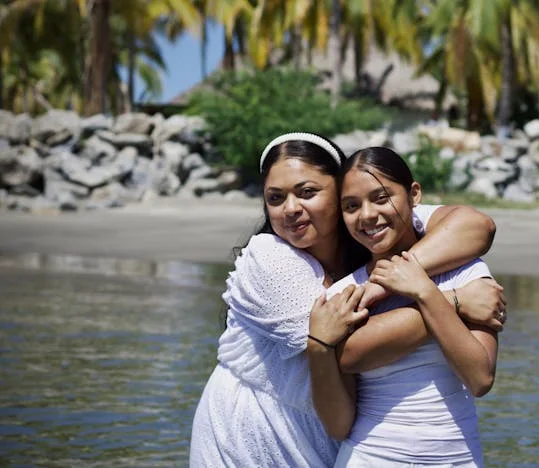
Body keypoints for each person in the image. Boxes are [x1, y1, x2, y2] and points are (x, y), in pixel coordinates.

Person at [189, 133, 506, 467]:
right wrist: (452, 301)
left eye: (307, 192)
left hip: (328, 440)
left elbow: (476, 225)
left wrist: (389, 281)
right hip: (253, 438)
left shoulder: (370, 226)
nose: (292, 208)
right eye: (275, 198)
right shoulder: (269, 256)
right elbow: (350, 349)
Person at [308, 146, 502, 467]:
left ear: (414, 194)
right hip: (372, 458)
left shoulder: (466, 270)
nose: (367, 215)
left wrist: (423, 290)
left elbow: (480, 378)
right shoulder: (345, 294)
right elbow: (350, 359)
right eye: (351, 206)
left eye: (381, 198)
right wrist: (453, 301)